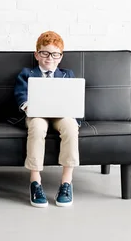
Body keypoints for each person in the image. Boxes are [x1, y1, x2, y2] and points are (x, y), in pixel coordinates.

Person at [13, 31, 80, 207]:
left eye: (54, 54)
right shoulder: (27, 73)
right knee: (36, 127)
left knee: (71, 127)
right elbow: (20, 95)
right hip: (37, 114)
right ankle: (36, 181)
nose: (49, 58)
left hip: (61, 114)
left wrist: (72, 111)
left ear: (60, 57)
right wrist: (29, 106)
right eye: (44, 53)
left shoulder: (67, 74)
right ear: (37, 54)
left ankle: (66, 182)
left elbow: (74, 98)